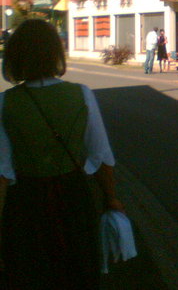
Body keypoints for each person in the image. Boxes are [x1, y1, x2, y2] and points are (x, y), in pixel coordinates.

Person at [0, 19, 124, 289]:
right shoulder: (81, 94)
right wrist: (111, 198)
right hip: (72, 195)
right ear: (54, 53)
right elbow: (101, 155)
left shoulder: (5, 102)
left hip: (26, 202)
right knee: (76, 267)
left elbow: (3, 170)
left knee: (31, 271)